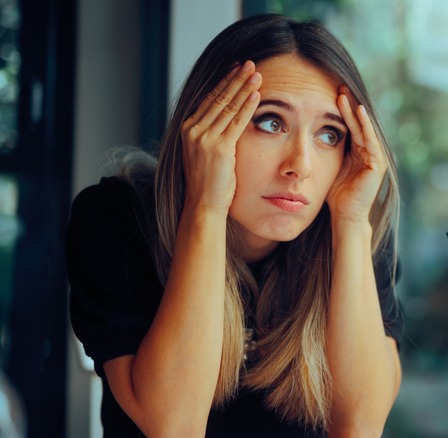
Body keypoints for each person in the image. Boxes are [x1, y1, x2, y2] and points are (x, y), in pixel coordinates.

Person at [65, 14, 403, 437]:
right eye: (270, 122)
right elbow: (174, 427)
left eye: (330, 134)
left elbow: (361, 427)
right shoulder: (116, 217)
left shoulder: (352, 227)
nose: (300, 165)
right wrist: (205, 205)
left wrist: (352, 225)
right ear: (207, 126)